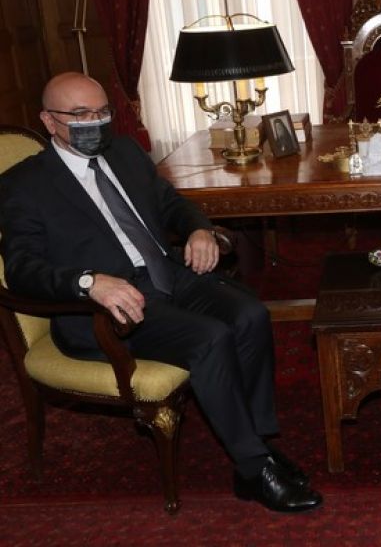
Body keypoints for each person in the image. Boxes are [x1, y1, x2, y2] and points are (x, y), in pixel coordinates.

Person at [0, 72, 322, 513]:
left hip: (166, 273)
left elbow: (171, 203)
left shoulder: (125, 152)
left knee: (251, 315)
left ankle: (257, 445)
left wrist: (198, 229)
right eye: (80, 115)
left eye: (102, 112)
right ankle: (255, 468)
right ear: (48, 120)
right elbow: (22, 270)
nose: (94, 123)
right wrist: (88, 282)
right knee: (210, 338)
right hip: (108, 307)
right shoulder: (24, 184)